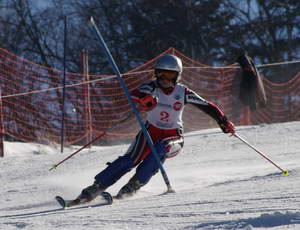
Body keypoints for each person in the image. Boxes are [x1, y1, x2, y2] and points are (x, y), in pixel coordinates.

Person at [73, 54, 235, 204]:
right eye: (160, 74)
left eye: (169, 75)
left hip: (174, 137)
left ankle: (133, 185)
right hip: (150, 131)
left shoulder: (183, 92)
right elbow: (134, 95)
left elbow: (207, 106)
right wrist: (143, 100)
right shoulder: (151, 87)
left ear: (177, 75)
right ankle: (96, 187)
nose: (164, 79)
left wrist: (223, 121)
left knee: (160, 148)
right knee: (129, 160)